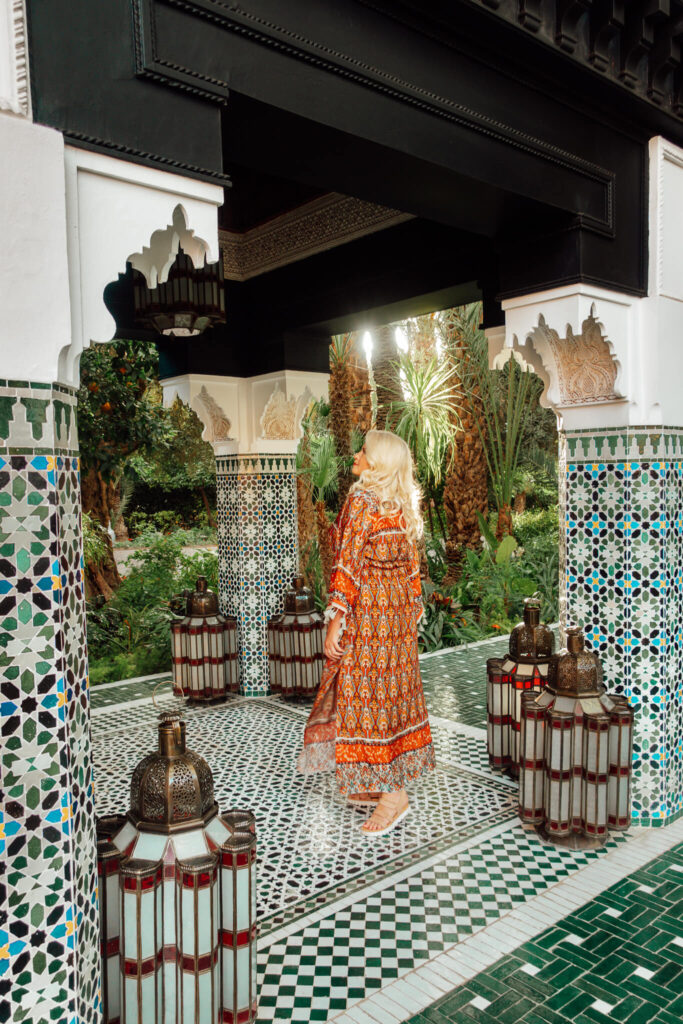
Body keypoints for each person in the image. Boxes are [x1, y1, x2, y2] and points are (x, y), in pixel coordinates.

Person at [297, 429, 436, 835]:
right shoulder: (400, 505)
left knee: (365, 698)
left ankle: (393, 797)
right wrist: (410, 617)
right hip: (396, 620)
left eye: (364, 450)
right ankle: (384, 784)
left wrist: (336, 623)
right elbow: (413, 572)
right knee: (389, 700)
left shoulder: (362, 501)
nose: (356, 455)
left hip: (372, 617)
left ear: (378, 462)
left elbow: (349, 565)